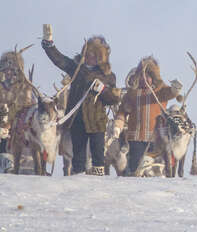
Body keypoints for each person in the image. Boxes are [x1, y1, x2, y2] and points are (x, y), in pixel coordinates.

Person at [41, 31, 119, 175]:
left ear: (100, 58)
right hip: (77, 120)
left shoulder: (107, 76)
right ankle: (78, 186)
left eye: (94, 55)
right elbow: (60, 60)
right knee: (78, 157)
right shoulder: (76, 68)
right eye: (88, 54)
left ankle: (98, 186)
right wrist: (49, 45)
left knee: (98, 157)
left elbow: (114, 99)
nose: (90, 57)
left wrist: (102, 90)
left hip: (97, 122)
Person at [113, 57, 182, 175]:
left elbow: (171, 93)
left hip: (156, 138)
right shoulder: (132, 93)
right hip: (136, 138)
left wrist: (176, 88)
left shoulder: (161, 91)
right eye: (142, 75)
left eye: (148, 76)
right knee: (135, 168)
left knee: (154, 168)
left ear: (154, 78)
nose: (144, 79)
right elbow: (122, 112)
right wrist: (118, 126)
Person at [0, 50, 34, 156]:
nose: (8, 72)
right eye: (6, 70)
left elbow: (29, 105)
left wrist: (11, 122)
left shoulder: (24, 87)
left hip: (18, 125)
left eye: (11, 70)